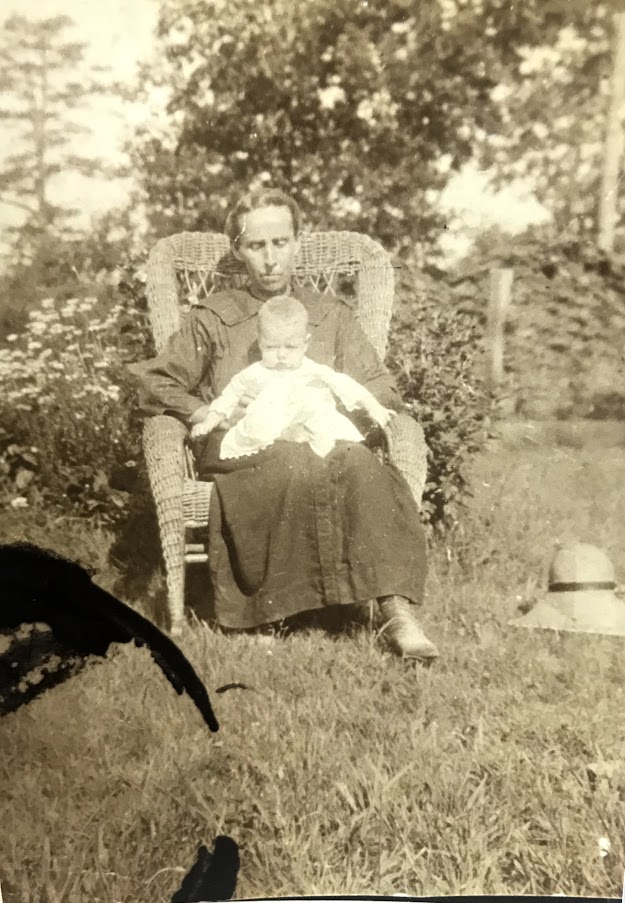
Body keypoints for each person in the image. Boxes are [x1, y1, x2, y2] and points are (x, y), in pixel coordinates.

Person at [135, 187, 439, 661]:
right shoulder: (215, 317)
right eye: (256, 246)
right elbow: (157, 383)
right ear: (238, 249)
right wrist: (207, 413)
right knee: (282, 466)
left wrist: (330, 413)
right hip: (243, 440)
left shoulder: (330, 317)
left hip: (317, 433)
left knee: (361, 466)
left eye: (280, 242)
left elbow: (380, 389)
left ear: (299, 242)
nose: (270, 259)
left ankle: (395, 611)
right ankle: (266, 609)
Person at [190, 294, 394, 460]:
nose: (281, 355)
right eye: (271, 347)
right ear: (260, 342)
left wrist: (373, 406)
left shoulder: (313, 369)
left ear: (305, 344)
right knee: (258, 425)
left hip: (311, 424)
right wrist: (208, 422)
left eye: (291, 347)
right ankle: (289, 439)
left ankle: (317, 450)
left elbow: (346, 386)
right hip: (272, 431)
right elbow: (228, 398)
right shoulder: (255, 372)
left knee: (325, 424)